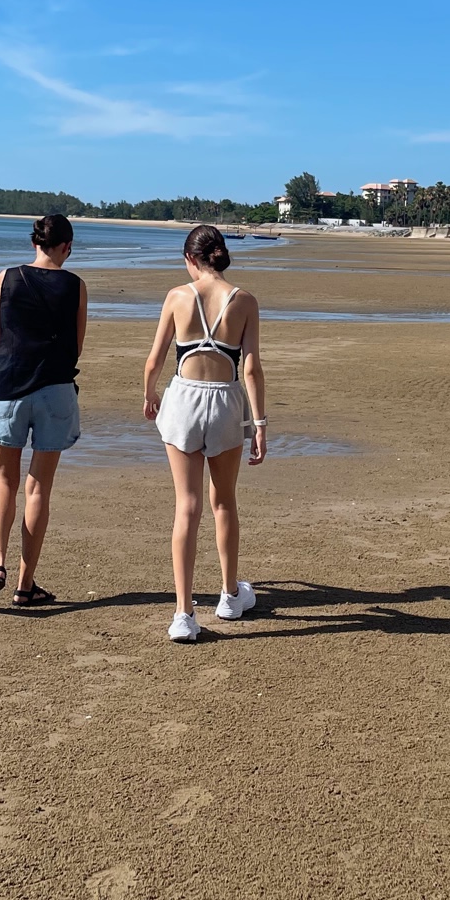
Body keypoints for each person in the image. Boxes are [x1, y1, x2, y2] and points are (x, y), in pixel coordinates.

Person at [142, 224, 267, 643]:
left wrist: (149, 394)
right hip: (226, 402)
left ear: (190, 259)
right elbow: (251, 369)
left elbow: (155, 359)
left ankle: (184, 613)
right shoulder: (244, 301)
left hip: (183, 401)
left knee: (188, 506)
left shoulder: (178, 296)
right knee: (224, 501)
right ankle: (230, 595)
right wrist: (259, 424)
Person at [0, 213, 87, 607]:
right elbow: (76, 346)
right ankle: (25, 585)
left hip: (8, 385)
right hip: (55, 389)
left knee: (4, 480)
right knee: (39, 488)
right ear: (67, 247)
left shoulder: (7, 277)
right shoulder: (76, 285)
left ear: (34, 243)